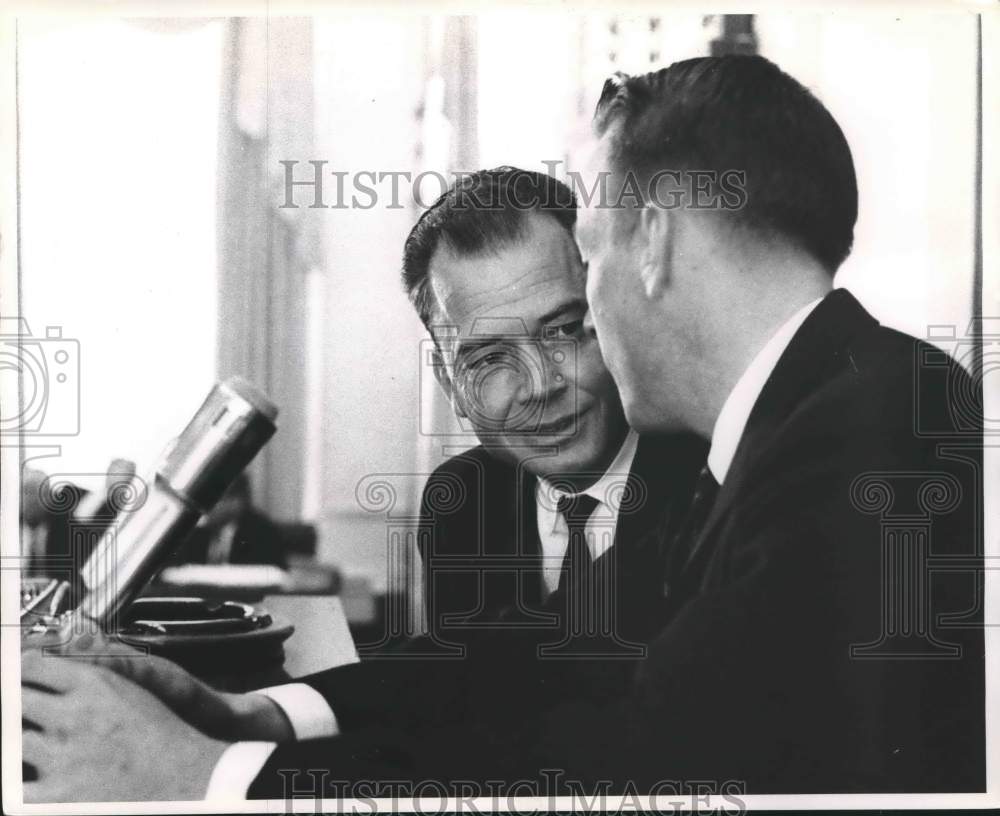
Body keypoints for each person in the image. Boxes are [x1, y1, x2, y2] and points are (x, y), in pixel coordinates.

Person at [20, 169, 707, 802]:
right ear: (451, 387)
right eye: (489, 357)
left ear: (610, 316)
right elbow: (462, 705)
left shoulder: (714, 476)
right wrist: (245, 713)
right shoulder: (462, 499)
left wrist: (212, 771)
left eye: (564, 331)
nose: (542, 385)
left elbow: (578, 731)